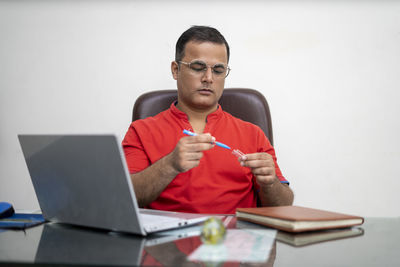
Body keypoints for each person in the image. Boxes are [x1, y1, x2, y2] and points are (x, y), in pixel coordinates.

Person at [122, 26, 294, 214]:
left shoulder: (253, 134)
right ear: (175, 70)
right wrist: (170, 164)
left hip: (236, 239)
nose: (208, 78)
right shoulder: (141, 131)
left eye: (218, 70)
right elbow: (125, 197)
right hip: (168, 241)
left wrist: (270, 183)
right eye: (198, 67)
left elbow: (283, 207)